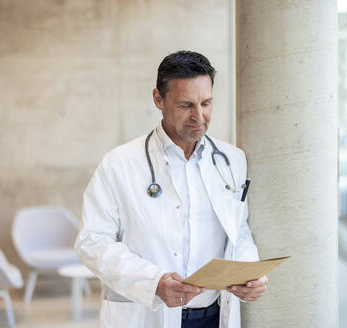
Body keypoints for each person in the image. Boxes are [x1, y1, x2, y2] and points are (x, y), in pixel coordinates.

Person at [75, 50, 267, 328]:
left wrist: (249, 273)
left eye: (206, 103)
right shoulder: (119, 164)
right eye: (186, 105)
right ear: (158, 99)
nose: (199, 116)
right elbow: (92, 241)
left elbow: (239, 232)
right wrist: (153, 282)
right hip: (147, 314)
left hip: (213, 316)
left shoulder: (232, 160)